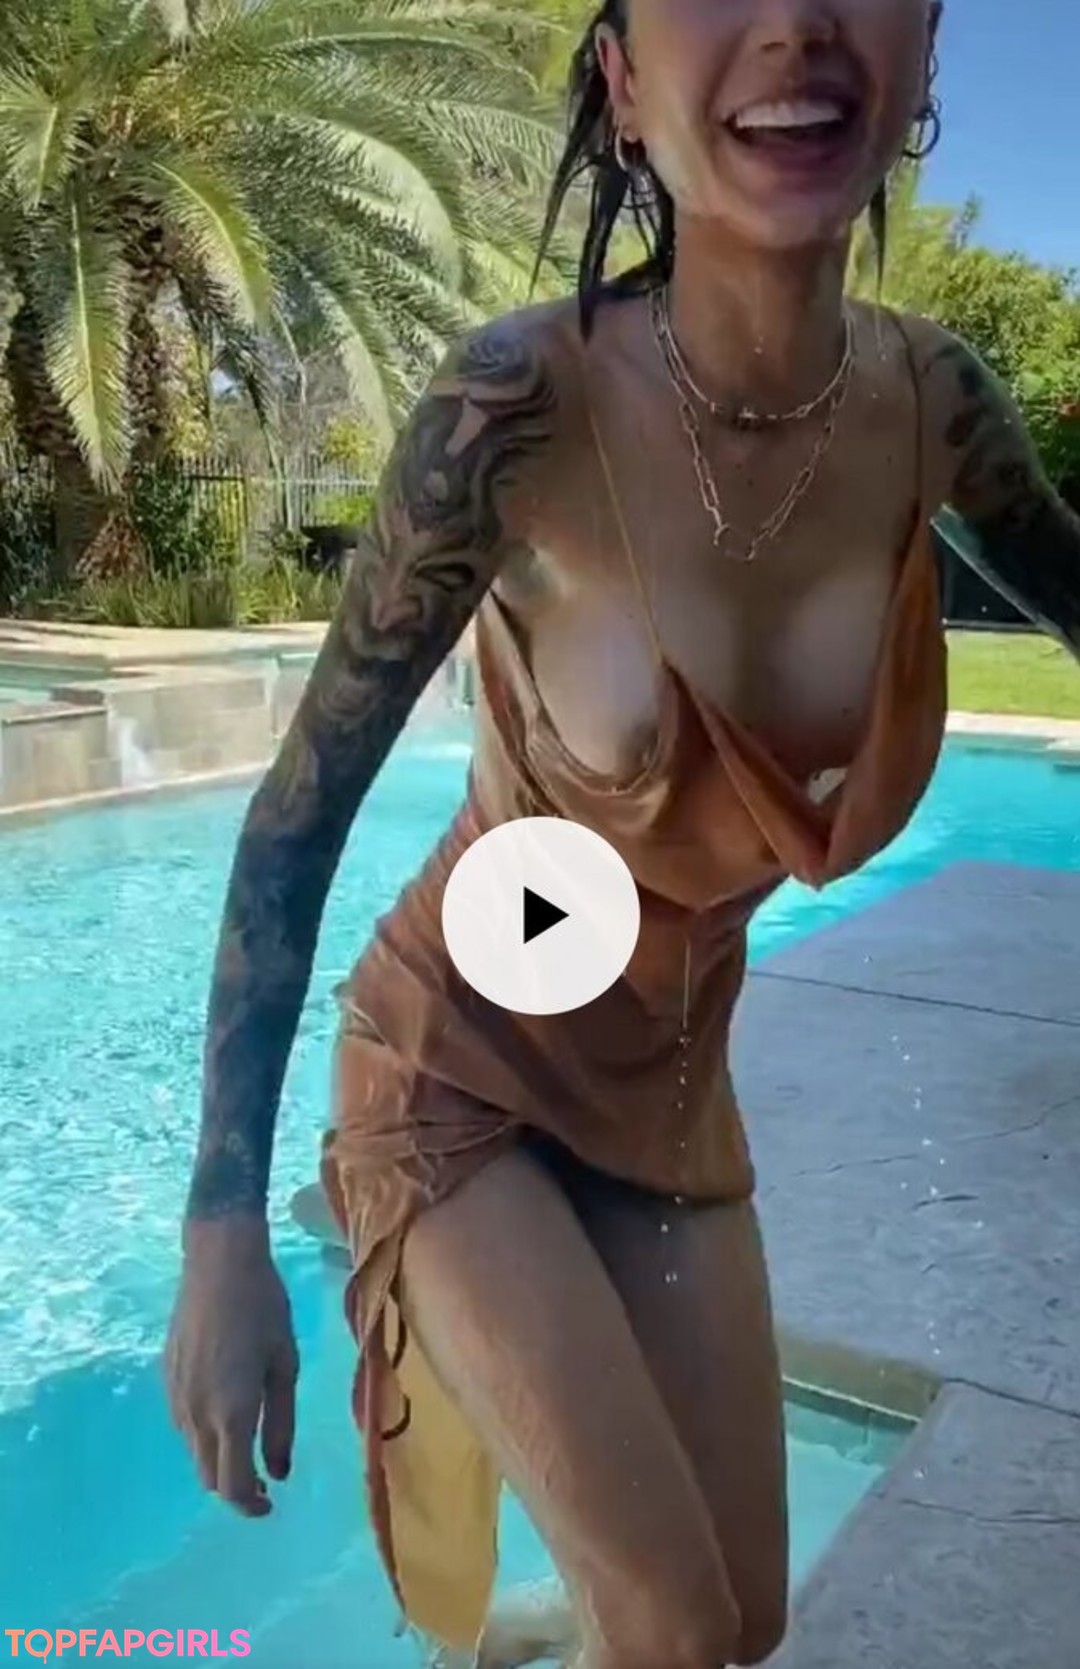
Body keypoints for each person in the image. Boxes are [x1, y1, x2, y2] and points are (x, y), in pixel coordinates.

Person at [165, 1, 1080, 1665]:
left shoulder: (935, 408)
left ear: (926, 51)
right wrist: (220, 1229)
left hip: (669, 1090)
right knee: (668, 1623)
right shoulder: (517, 409)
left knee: (736, 1618)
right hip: (459, 1067)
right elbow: (297, 819)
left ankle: (560, 1619)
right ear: (624, 81)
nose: (797, 25)